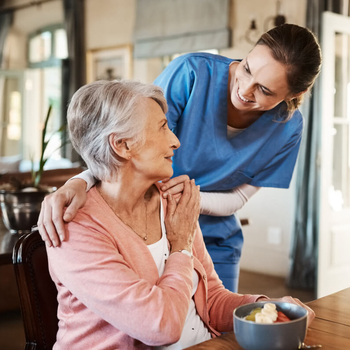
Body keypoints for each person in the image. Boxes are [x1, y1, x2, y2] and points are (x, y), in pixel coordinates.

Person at [38, 24, 322, 292]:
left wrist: (190, 202)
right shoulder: (192, 73)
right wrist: (80, 181)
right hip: (147, 227)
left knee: (218, 333)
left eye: (264, 90)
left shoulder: (288, 128)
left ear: (296, 93)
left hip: (214, 238)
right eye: (246, 69)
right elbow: (126, 141)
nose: (244, 90)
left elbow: (239, 198)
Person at [45, 80, 315, 349]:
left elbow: (211, 301)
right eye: (163, 128)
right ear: (122, 145)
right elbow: (161, 326)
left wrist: (265, 308)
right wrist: (181, 247)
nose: (175, 141)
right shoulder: (74, 227)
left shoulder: (172, 203)